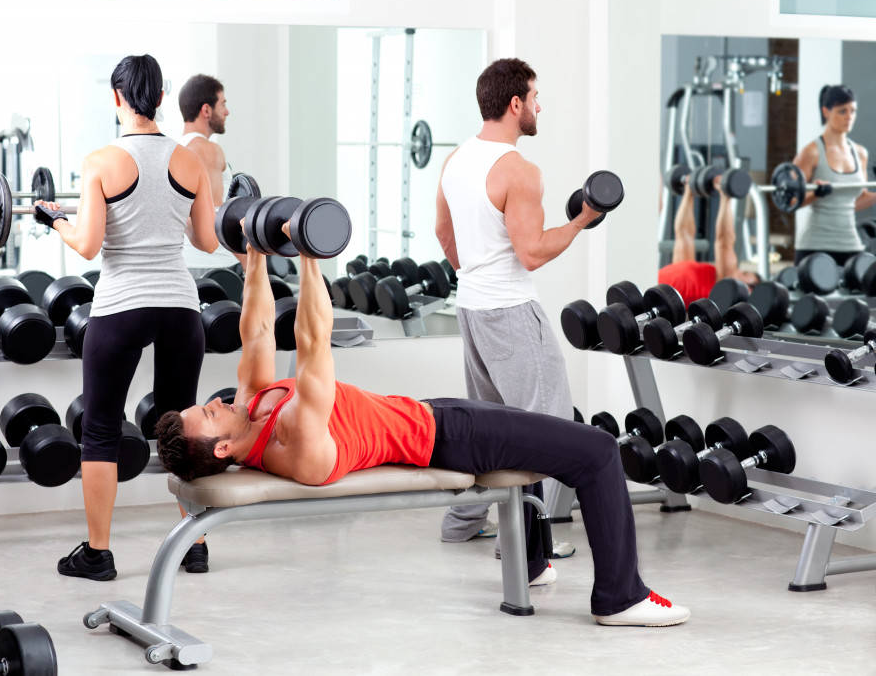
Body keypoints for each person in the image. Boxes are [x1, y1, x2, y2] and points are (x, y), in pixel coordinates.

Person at [154, 236, 690, 627]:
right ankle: (621, 597)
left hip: (430, 414)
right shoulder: (294, 438)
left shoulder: (250, 409)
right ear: (222, 447)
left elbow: (257, 329)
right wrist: (311, 259)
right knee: (594, 449)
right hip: (451, 436)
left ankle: (530, 566)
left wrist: (254, 256)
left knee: (529, 432)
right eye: (209, 414)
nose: (215, 402)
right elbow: (314, 342)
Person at [34, 54, 218, 581]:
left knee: (100, 432)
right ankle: (196, 541)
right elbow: (205, 240)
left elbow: (89, 247)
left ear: (117, 98)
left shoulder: (101, 162)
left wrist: (58, 222)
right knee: (182, 426)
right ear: (160, 98)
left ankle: (98, 554)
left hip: (121, 306)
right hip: (181, 307)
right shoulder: (192, 162)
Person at [434, 58, 586, 562]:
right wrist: (584, 218)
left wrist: (475, 272)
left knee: (490, 428)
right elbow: (533, 253)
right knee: (547, 432)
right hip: (513, 313)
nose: (540, 106)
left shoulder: (455, 160)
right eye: (535, 97)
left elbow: (443, 234)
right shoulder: (519, 170)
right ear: (515, 103)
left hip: (472, 309)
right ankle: (522, 543)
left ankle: (462, 524)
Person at [792, 84, 876, 266]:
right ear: (826, 111)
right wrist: (815, 194)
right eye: (842, 111)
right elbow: (791, 200)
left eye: (853, 111)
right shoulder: (811, 152)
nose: (849, 117)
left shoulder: (860, 153)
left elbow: (854, 201)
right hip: (815, 245)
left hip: (850, 243)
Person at [657, 172, 761, 304]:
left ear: (749, 289)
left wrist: (725, 196)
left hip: (653, 298)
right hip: (648, 285)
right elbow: (684, 234)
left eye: (744, 275)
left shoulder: (728, 287)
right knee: (683, 237)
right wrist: (689, 190)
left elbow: (724, 240)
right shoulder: (696, 276)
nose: (739, 270)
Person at [177, 74, 237, 272]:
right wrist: (249, 262)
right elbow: (213, 220)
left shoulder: (175, 149)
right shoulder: (207, 150)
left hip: (185, 263)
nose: (227, 112)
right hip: (215, 266)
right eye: (222, 104)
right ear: (206, 110)